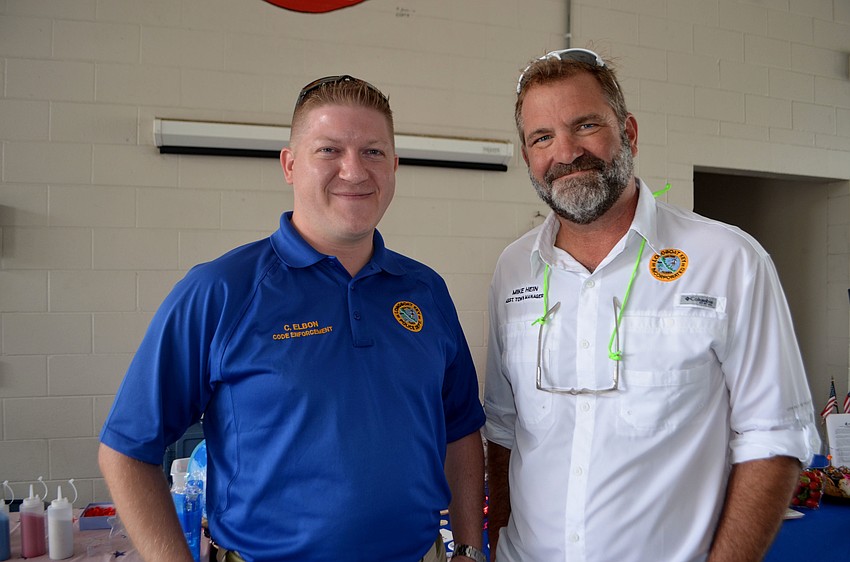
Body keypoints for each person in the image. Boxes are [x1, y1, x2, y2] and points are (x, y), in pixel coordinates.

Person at [99, 75, 487, 562]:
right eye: (328, 150)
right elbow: (126, 451)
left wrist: (470, 549)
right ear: (290, 164)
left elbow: (460, 427)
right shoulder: (222, 290)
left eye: (372, 152)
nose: (354, 171)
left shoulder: (425, 290)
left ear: (394, 166)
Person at [483, 49, 821, 562]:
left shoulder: (728, 260)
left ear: (630, 133)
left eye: (586, 124)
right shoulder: (513, 270)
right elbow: (505, 430)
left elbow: (773, 438)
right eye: (542, 137)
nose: (567, 151)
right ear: (528, 155)